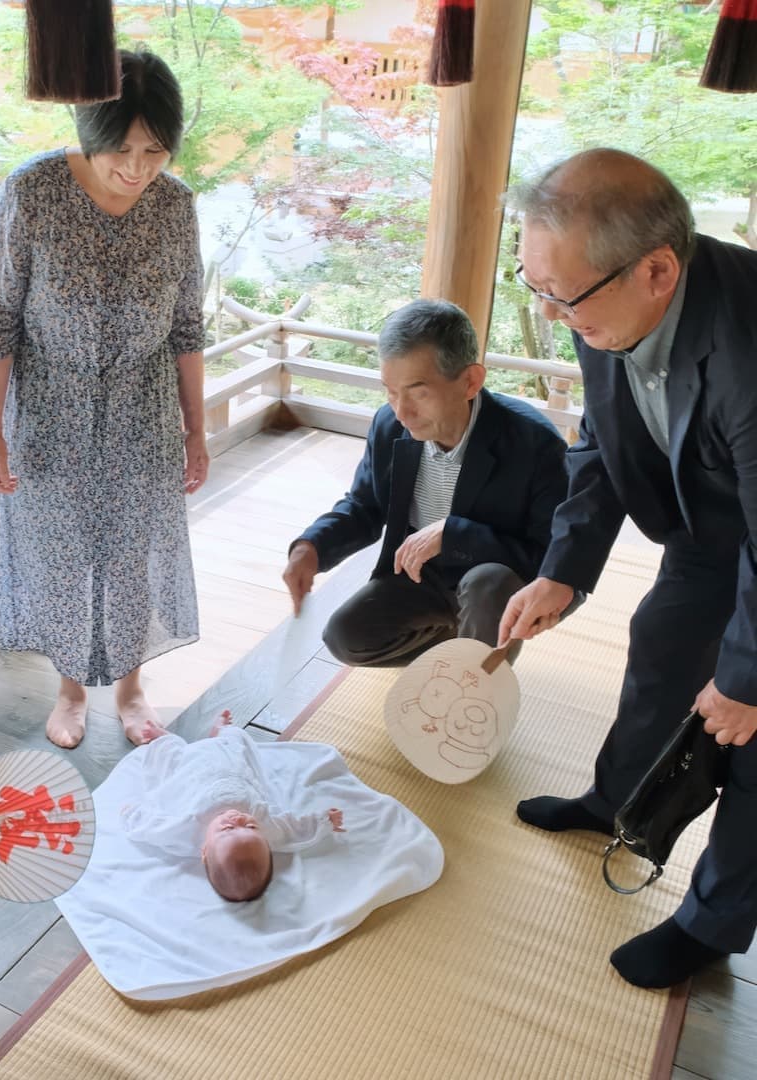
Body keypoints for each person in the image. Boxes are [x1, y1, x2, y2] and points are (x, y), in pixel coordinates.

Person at [498, 148, 757, 989]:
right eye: (534, 288)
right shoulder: (602, 303)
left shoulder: (748, 345)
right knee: (662, 647)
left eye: (561, 297)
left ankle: (710, 923)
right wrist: (563, 570)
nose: (551, 313)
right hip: (712, 521)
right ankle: (618, 801)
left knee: (747, 731)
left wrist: (747, 678)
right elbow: (600, 442)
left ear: (657, 269)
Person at [0, 48, 207, 751]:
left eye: (155, 150)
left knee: (132, 549)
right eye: (121, 150)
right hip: (48, 406)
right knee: (61, 552)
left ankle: (132, 690)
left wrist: (196, 430)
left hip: (143, 409)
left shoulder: (176, 207)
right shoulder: (33, 193)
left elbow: (186, 326)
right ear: (88, 133)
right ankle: (71, 690)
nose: (137, 168)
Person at [283, 298, 568, 665]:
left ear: (470, 381)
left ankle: (478, 676)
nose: (402, 411)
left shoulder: (534, 443)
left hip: (495, 584)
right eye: (390, 391)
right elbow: (364, 506)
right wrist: (311, 547)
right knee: (345, 638)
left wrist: (453, 536)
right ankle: (458, 639)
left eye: (418, 391)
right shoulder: (390, 424)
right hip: (421, 575)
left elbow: (551, 557)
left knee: (488, 585)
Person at [121, 714, 345, 902]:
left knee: (170, 755)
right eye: (250, 826)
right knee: (238, 740)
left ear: (205, 851)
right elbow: (292, 830)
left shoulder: (188, 829)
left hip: (192, 769)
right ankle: (220, 730)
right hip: (232, 764)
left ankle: (164, 738)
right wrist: (323, 821)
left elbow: (155, 828)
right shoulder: (267, 827)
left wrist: (133, 815)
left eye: (227, 829)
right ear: (266, 840)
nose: (238, 820)